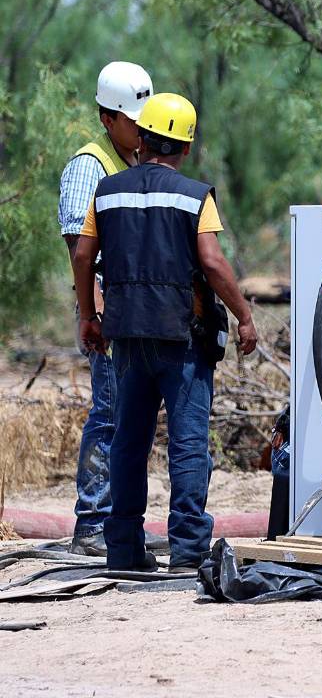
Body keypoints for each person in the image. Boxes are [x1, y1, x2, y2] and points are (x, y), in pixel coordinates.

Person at [71, 92, 257, 572]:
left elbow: (82, 255)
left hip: (127, 337)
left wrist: (88, 316)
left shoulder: (107, 191)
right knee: (189, 443)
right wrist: (244, 316)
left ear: (142, 139)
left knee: (128, 442)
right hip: (183, 339)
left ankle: (124, 550)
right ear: (186, 148)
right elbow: (213, 262)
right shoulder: (195, 196)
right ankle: (189, 550)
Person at [57, 61, 172, 557]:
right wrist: (93, 313)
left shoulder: (128, 163)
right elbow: (78, 248)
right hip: (109, 312)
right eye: (134, 119)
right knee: (108, 415)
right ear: (109, 118)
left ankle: (115, 524)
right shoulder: (91, 165)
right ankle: (93, 521)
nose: (143, 128)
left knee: (126, 416)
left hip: (132, 310)